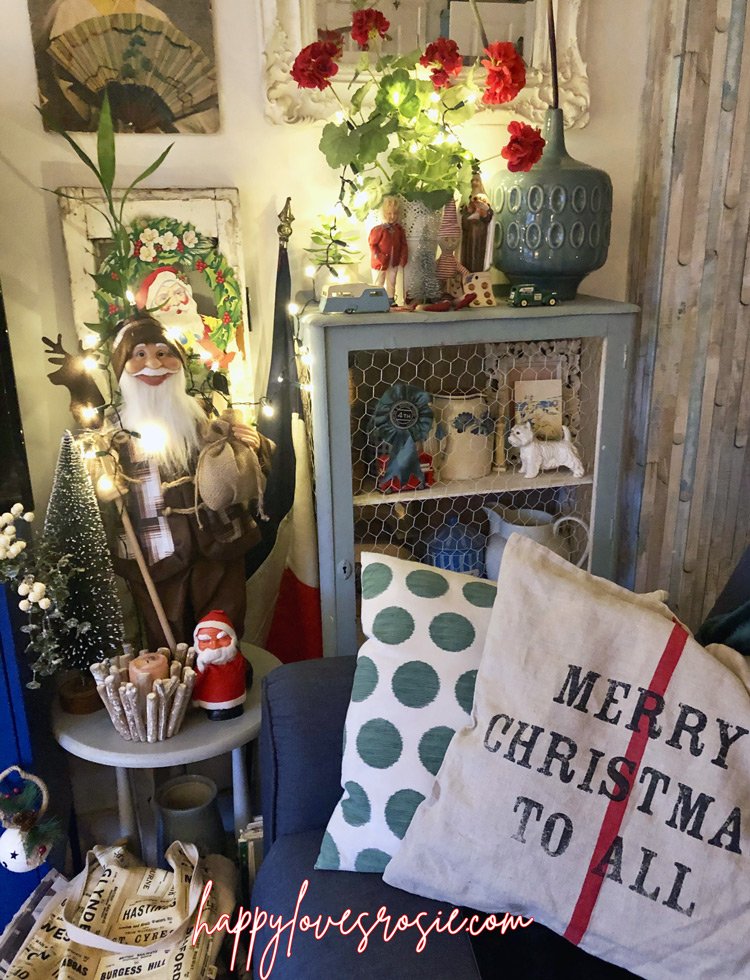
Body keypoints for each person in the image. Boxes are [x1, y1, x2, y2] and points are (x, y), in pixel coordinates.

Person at [104, 313, 272, 648]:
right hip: (157, 549)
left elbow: (244, 463)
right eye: (139, 355)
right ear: (123, 367)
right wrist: (103, 479)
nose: (154, 363)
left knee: (224, 621)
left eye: (163, 352)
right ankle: (178, 689)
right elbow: (101, 489)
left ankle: (225, 682)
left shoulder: (201, 412)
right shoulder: (114, 429)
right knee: (165, 628)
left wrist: (255, 445)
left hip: (217, 538)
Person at [135, 266, 234, 371]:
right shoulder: (155, 344)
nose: (175, 302)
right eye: (163, 298)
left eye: (178, 293)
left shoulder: (205, 322)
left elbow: (233, 334)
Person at [192, 610, 249, 720]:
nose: (214, 646)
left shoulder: (238, 660)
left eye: (222, 639)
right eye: (206, 641)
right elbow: (196, 682)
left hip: (236, 697)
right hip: (209, 701)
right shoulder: (202, 665)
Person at [368, 195, 408, 301]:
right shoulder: (378, 229)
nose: (392, 216)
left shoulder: (399, 230)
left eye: (395, 213)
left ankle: (390, 299)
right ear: (384, 213)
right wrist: (379, 256)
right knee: (378, 281)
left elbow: (403, 244)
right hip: (380, 262)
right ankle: (376, 300)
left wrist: (403, 257)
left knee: (392, 281)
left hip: (393, 261)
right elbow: (372, 245)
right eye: (389, 213)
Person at [460, 172, 494, 273]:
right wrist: (468, 211)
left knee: (479, 255)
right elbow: (462, 216)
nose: (474, 183)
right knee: (468, 255)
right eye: (472, 181)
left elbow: (489, 216)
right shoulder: (466, 199)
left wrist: (484, 213)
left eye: (477, 180)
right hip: (468, 233)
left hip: (480, 233)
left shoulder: (485, 199)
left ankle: (478, 272)